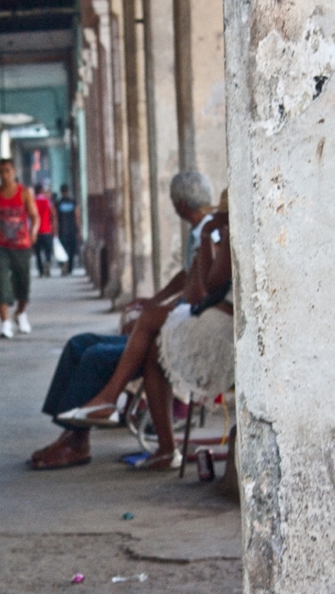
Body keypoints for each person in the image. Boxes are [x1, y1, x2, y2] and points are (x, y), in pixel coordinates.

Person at [30, 172, 231, 471]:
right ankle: (72, 432)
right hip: (180, 323)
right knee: (79, 344)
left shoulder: (214, 236)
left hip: (193, 331)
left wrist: (161, 309)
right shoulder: (210, 235)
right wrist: (156, 302)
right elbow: (191, 280)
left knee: (95, 356)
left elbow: (202, 292)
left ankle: (83, 430)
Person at [0, 159, 39, 338]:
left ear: (14, 171)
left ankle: (20, 313)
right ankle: (5, 322)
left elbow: (34, 216)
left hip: (21, 245)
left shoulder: (24, 193)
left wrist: (33, 232)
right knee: (0, 282)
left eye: (8, 171)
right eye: (1, 171)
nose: (5, 175)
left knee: (23, 282)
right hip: (1, 245)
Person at [55, 184, 81, 275]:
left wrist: (55, 231)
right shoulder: (73, 202)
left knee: (63, 250)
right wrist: (79, 230)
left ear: (61, 192)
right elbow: (77, 216)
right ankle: (69, 268)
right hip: (72, 229)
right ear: (68, 191)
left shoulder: (58, 203)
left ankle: (64, 266)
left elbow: (55, 218)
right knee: (71, 250)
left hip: (62, 230)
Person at [32, 184, 57, 277]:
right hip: (47, 230)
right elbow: (53, 216)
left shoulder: (32, 202)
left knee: (38, 253)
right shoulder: (48, 202)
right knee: (47, 251)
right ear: (42, 191)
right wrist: (54, 229)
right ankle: (48, 263)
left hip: (36, 232)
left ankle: (41, 271)